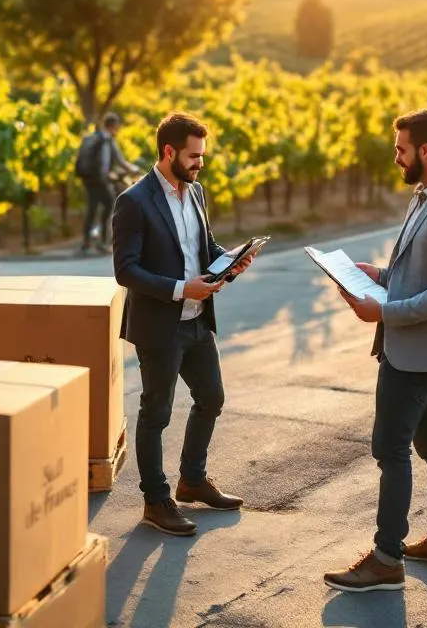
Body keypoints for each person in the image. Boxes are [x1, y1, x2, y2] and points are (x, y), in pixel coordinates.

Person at [323, 107, 427, 593]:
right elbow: (419, 274)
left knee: (390, 449)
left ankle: (386, 558)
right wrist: (379, 277)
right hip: (417, 350)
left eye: (401, 149)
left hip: (418, 353)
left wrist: (384, 312)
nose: (396, 157)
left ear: (426, 151)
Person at [111, 111, 255, 537]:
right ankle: (156, 501)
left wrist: (230, 260)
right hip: (160, 324)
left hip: (197, 319)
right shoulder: (133, 202)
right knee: (155, 413)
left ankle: (191, 480)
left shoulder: (195, 193)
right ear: (168, 151)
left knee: (211, 398)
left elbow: (203, 246)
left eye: (202, 156)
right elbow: (126, 271)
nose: (200, 164)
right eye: (194, 156)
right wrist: (179, 289)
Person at [76, 112, 139, 254]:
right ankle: (103, 242)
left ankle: (86, 242)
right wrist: (133, 170)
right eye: (117, 127)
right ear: (113, 126)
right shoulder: (107, 140)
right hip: (100, 180)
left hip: (88, 179)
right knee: (110, 204)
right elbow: (119, 161)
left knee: (92, 208)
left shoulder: (93, 137)